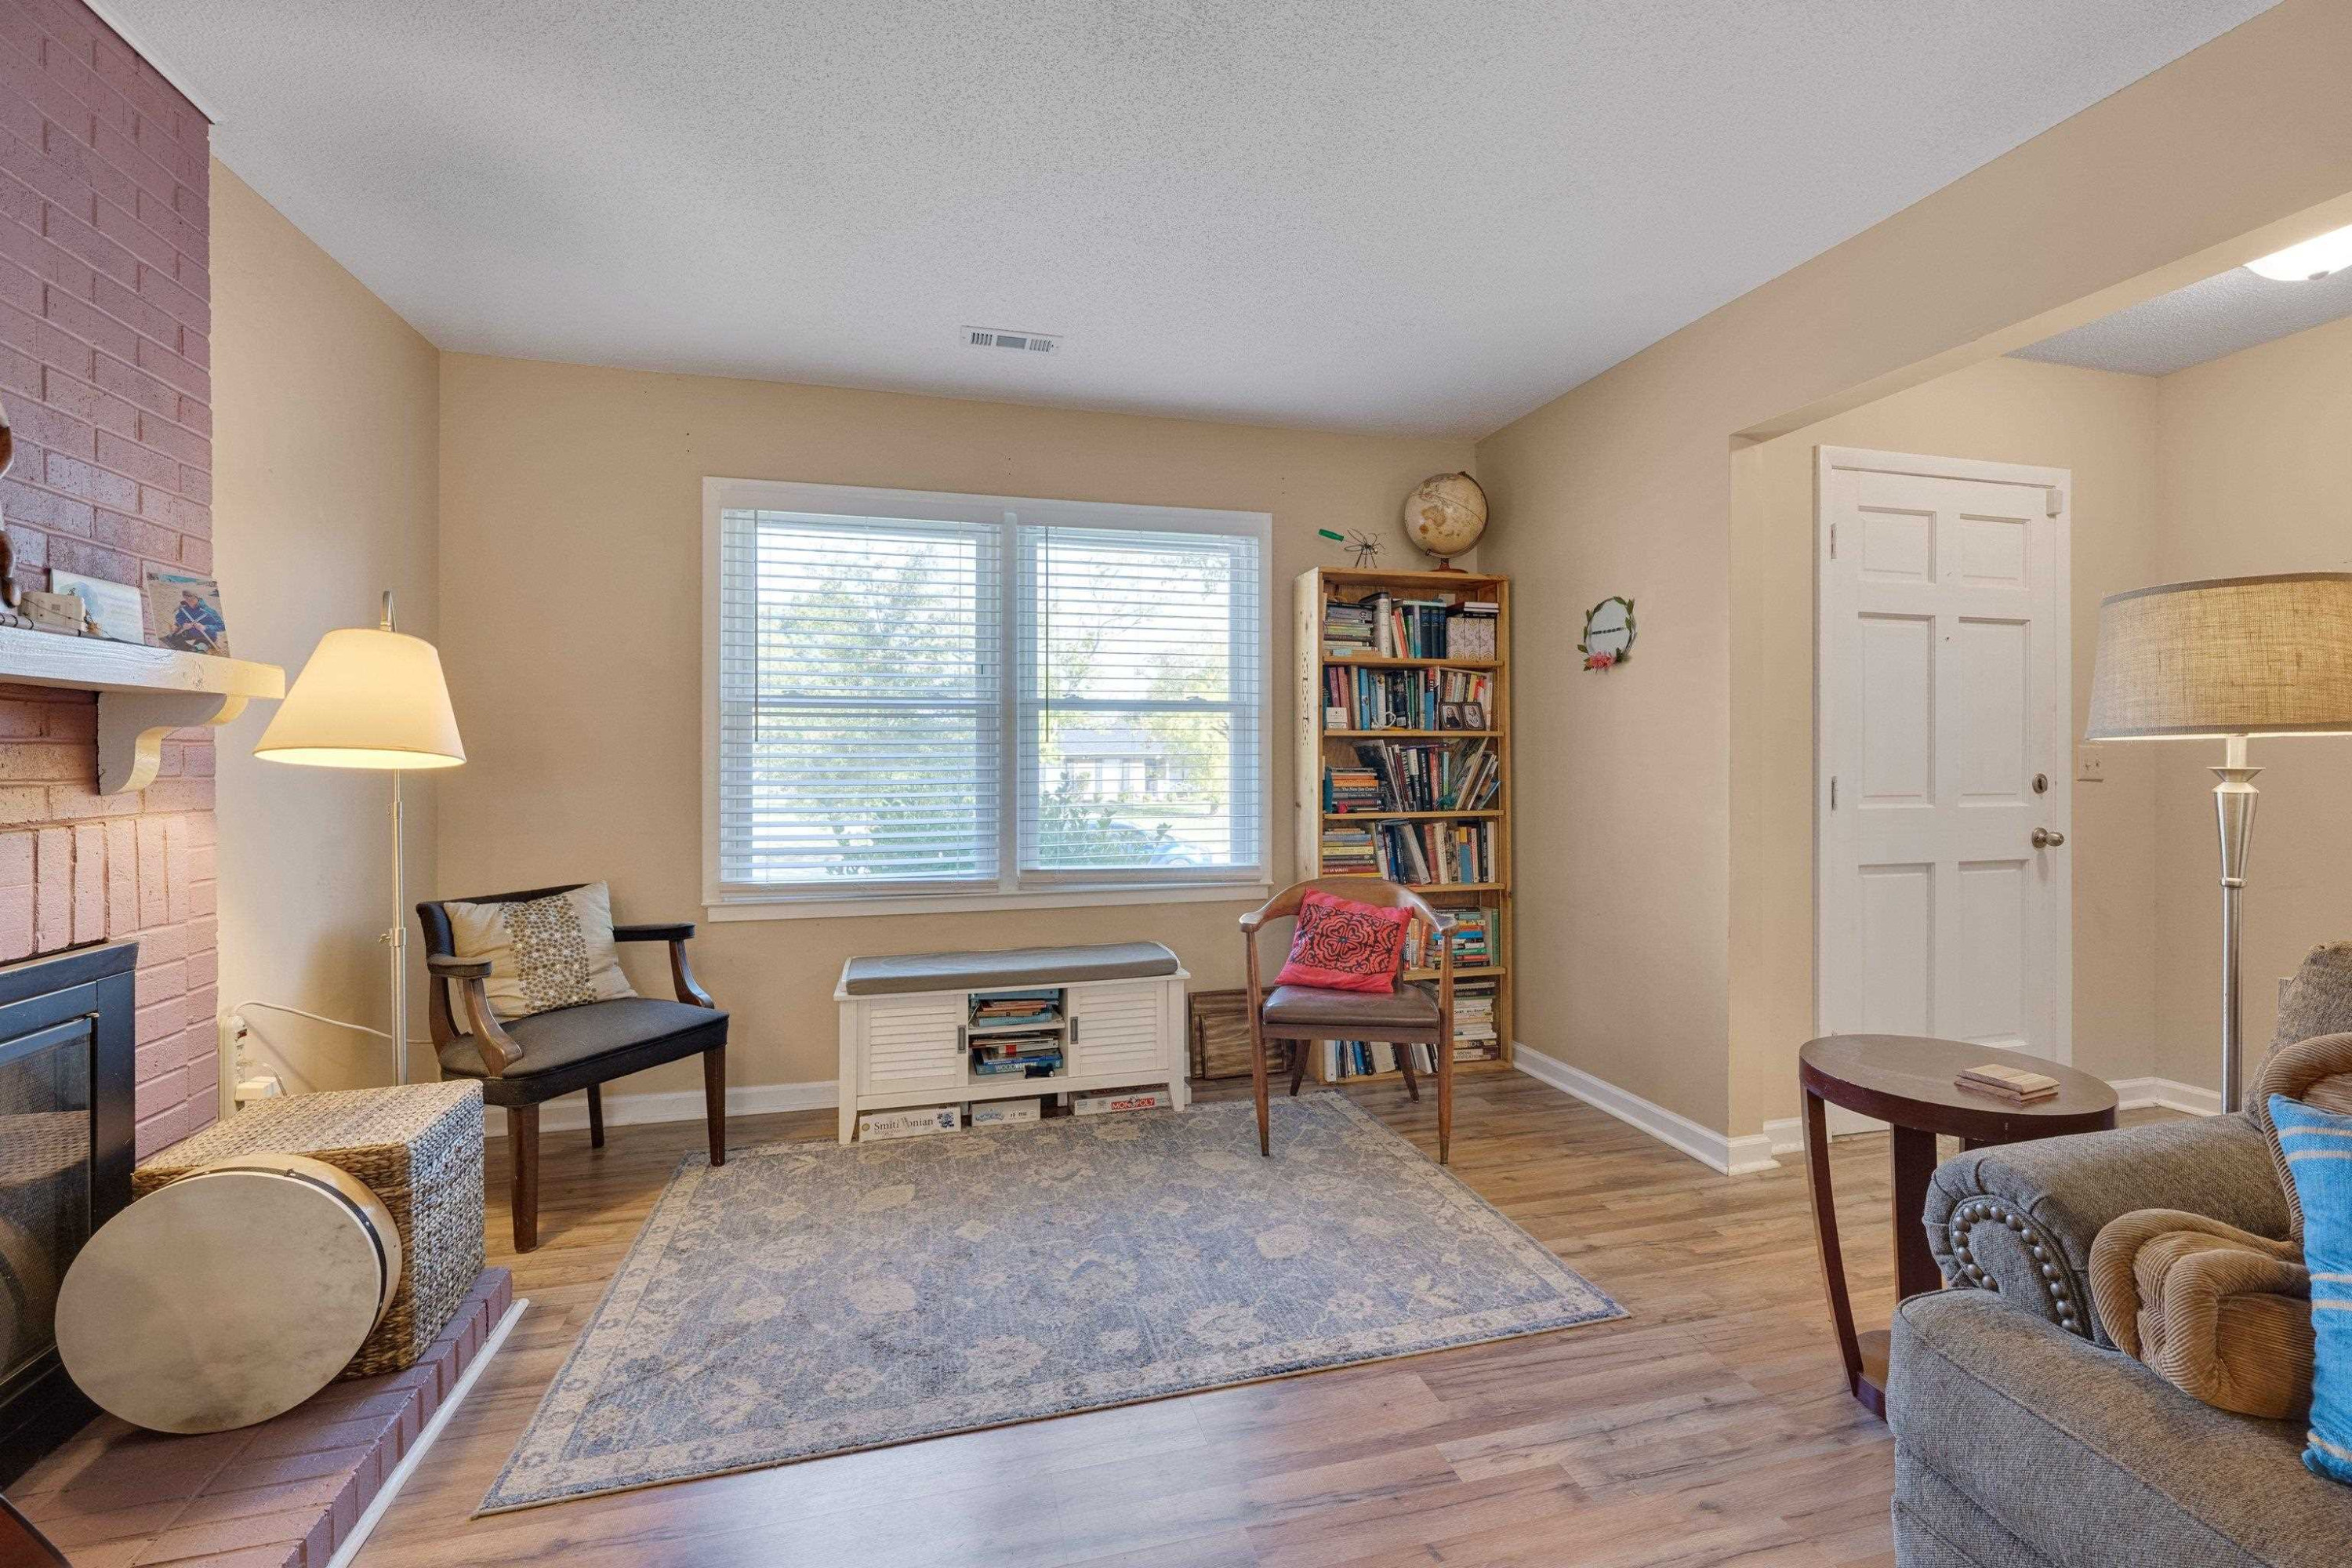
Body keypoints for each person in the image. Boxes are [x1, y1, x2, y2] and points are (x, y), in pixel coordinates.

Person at [166, 588, 227, 655]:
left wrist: (205, 627)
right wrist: (183, 624)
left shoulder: (209, 611)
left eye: (191, 599)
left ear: (196, 597)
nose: (189, 601)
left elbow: (222, 626)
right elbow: (179, 617)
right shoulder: (184, 608)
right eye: (186, 599)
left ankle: (207, 646)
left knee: (195, 651)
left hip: (207, 636)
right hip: (192, 632)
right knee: (170, 639)